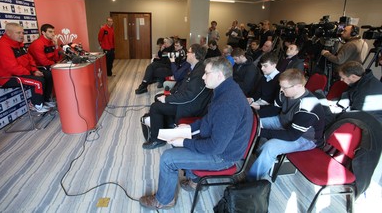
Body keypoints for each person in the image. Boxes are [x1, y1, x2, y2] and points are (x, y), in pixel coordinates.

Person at [139, 56, 253, 210]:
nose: (203, 76)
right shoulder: (225, 89)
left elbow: (215, 148)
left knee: (168, 158)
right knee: (179, 137)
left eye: (207, 73)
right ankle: (196, 180)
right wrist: (188, 129)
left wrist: (184, 142)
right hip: (220, 145)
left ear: (220, 75)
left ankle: (164, 200)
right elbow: (208, 119)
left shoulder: (228, 103)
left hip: (222, 156)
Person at [246, 69, 325, 180]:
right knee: (252, 123)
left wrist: (259, 131)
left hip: (304, 138)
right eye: (281, 86)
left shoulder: (308, 107)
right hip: (284, 122)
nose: (281, 90)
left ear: (298, 86)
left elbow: (291, 135)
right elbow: (274, 110)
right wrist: (253, 117)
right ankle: (248, 155)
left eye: (284, 87)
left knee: (270, 147)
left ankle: (251, 181)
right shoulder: (284, 91)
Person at [142, 44, 212, 149]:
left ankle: (157, 140)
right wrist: (171, 93)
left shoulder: (200, 71)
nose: (186, 54)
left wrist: (168, 99)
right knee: (158, 99)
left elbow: (190, 96)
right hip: (186, 101)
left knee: (155, 107)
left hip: (191, 106)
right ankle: (168, 125)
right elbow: (183, 83)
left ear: (194, 54)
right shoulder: (195, 67)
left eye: (188, 52)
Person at [0, 23, 53, 113]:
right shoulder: (2, 46)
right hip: (6, 78)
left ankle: (45, 101)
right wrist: (31, 73)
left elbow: (30, 59)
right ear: (8, 33)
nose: (22, 35)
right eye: (18, 33)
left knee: (47, 74)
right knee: (38, 81)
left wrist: (34, 70)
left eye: (22, 33)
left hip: (21, 73)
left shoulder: (19, 44)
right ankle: (36, 105)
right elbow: (12, 67)